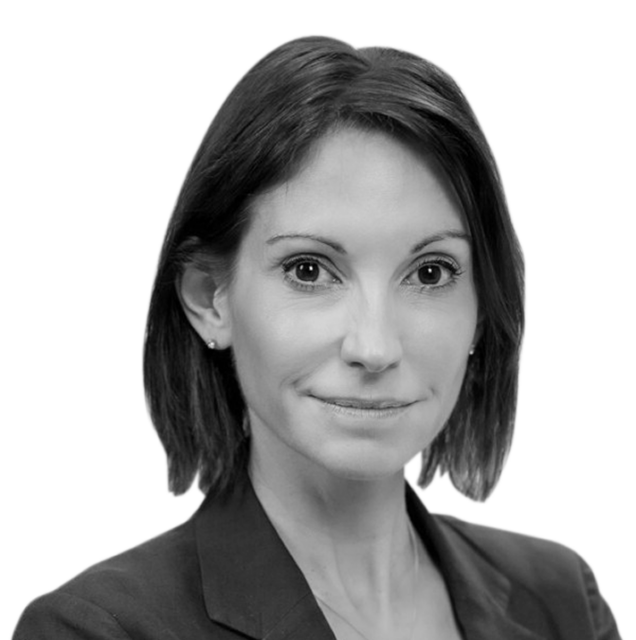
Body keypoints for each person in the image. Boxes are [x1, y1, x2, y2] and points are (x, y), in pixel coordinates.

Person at [10, 32, 625, 640]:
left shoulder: (562, 601)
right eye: (309, 271)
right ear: (208, 297)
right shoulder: (98, 630)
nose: (375, 347)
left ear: (485, 309)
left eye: (430, 273)